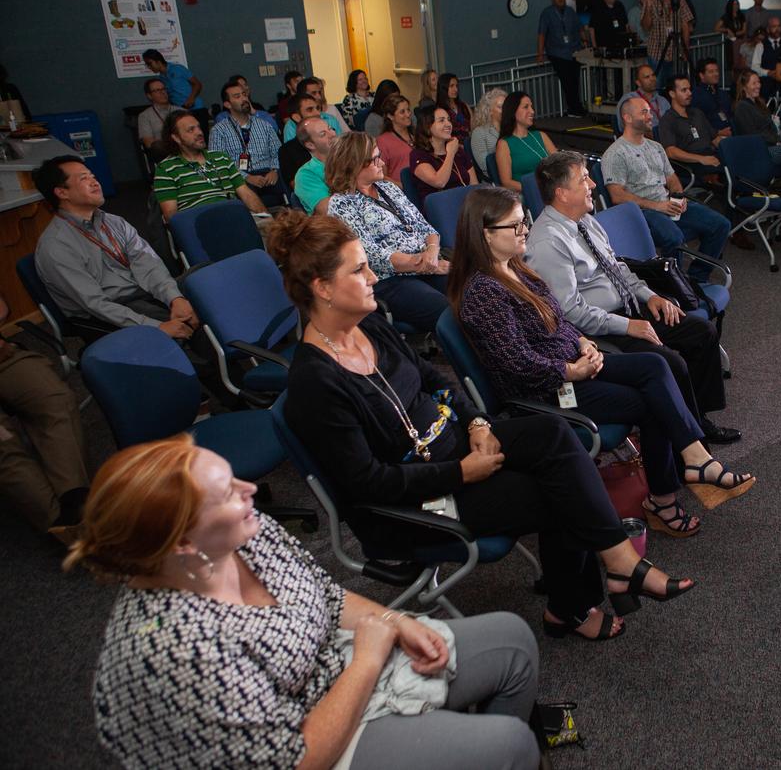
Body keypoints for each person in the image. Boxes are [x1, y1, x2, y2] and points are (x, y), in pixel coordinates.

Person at [278, 210, 696, 641]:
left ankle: (617, 566)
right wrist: (462, 472)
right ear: (322, 288)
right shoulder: (315, 383)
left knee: (554, 434)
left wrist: (477, 422)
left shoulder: (370, 329)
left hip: (457, 445)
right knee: (554, 489)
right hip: (417, 501)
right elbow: (368, 484)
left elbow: (434, 379)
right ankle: (575, 603)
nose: (372, 276)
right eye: (360, 268)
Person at [70, 435, 544, 767]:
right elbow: (293, 759)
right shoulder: (174, 651)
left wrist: (393, 619)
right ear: (181, 544)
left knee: (513, 641)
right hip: (302, 739)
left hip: (330, 672)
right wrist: (369, 655)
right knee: (509, 746)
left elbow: (322, 593)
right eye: (228, 494)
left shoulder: (243, 534)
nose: (250, 490)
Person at [471, 179, 751, 510]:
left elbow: (561, 321)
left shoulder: (519, 271)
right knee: (651, 396)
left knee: (656, 365)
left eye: (524, 222)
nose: (524, 231)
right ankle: (667, 496)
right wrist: (572, 369)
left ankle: (694, 460)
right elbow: (517, 364)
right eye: (515, 225)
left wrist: (583, 342)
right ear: (487, 234)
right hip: (550, 387)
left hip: (576, 361)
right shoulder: (484, 293)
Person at [33, 155, 199, 337]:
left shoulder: (113, 221)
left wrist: (174, 298)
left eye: (92, 176)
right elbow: (95, 304)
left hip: (143, 290)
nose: (95, 182)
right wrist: (156, 327)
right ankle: (212, 358)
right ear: (62, 193)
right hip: (114, 309)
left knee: (207, 279)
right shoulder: (56, 246)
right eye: (84, 178)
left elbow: (148, 264)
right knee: (193, 322)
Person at [325, 132, 450, 334]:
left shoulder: (388, 188)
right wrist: (426, 264)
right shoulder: (341, 204)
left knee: (471, 291)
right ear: (354, 164)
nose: (382, 162)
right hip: (389, 280)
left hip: (426, 264)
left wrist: (432, 252)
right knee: (445, 310)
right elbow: (372, 257)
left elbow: (425, 227)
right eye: (375, 159)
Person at [602, 103, 732, 284]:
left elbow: (672, 179)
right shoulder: (615, 153)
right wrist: (658, 206)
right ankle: (673, 286)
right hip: (642, 212)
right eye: (644, 112)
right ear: (627, 118)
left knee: (721, 225)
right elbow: (617, 196)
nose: (650, 117)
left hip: (666, 204)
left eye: (649, 112)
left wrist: (678, 198)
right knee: (674, 237)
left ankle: (695, 279)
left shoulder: (656, 147)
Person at [0, 292, 89, 539]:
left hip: (4, 358)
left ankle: (74, 501)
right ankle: (72, 531)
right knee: (3, 444)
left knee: (54, 399)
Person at [152, 110, 267, 221]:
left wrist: (267, 219)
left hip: (233, 217)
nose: (199, 132)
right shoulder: (166, 169)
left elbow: (246, 195)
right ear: (176, 138)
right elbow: (171, 216)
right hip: (199, 226)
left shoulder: (221, 158)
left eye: (198, 127)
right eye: (191, 130)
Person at [208, 80, 283, 205]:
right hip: (238, 177)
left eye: (244, 94)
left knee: (282, 195)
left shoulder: (264, 125)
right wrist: (246, 177)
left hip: (268, 173)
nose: (244, 99)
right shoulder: (219, 130)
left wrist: (274, 170)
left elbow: (278, 152)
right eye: (237, 96)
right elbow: (218, 163)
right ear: (227, 104)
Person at [658, 75, 722, 180]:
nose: (689, 93)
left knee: (736, 163)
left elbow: (714, 138)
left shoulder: (697, 113)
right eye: (684, 90)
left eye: (689, 89)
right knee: (724, 173)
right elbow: (671, 152)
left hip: (711, 156)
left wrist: (729, 147)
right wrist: (701, 159)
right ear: (672, 94)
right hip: (690, 164)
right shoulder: (667, 120)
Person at [410, 104, 477, 202]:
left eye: (448, 119)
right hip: (441, 208)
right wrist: (450, 154)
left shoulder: (458, 151)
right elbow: (439, 182)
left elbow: (474, 185)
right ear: (428, 126)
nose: (448, 124)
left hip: (466, 205)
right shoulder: (418, 155)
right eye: (441, 120)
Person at [537, 0, 586, 116]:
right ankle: (573, 108)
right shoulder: (547, 14)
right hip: (557, 53)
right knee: (567, 81)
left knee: (575, 80)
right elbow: (541, 34)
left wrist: (585, 43)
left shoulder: (570, 11)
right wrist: (540, 54)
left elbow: (580, 28)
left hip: (574, 51)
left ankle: (577, 107)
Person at [494, 91, 557, 191]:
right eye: (526, 107)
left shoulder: (540, 135)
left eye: (531, 107)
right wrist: (535, 188)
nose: (532, 111)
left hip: (550, 189)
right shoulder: (504, 144)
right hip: (526, 194)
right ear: (513, 111)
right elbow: (506, 182)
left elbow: (559, 163)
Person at [642, 0, 694, 85]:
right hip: (656, 52)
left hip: (674, 52)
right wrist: (648, 7)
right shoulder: (653, 0)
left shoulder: (680, 0)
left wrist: (685, 49)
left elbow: (685, 26)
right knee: (656, 85)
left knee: (673, 86)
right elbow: (646, 26)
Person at [731, 70, 781, 166]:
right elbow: (750, 134)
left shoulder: (759, 103)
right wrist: (775, 142)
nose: (758, 86)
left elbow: (770, 127)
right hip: (759, 149)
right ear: (744, 87)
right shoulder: (742, 107)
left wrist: (778, 141)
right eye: (754, 83)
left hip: (772, 144)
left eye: (759, 82)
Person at [141, 49, 204, 122]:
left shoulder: (177, 69)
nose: (149, 67)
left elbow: (197, 84)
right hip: (180, 113)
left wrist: (191, 99)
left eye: (150, 63)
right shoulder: (161, 79)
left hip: (196, 109)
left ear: (158, 61)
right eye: (147, 65)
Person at [294, 116, 337, 213]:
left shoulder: (352, 158)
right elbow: (330, 211)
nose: (332, 134)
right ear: (310, 145)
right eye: (323, 134)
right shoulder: (306, 175)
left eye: (330, 129)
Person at [375, 95, 415, 189]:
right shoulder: (382, 142)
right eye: (402, 112)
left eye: (408, 110)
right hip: (401, 191)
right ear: (390, 116)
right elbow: (381, 175)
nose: (408, 114)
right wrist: (403, 187)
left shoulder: (417, 135)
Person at [136, 77, 178, 159]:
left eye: (163, 89)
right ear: (149, 96)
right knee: (157, 146)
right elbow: (149, 143)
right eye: (157, 90)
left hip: (185, 148)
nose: (162, 92)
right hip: (165, 152)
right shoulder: (144, 116)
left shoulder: (181, 111)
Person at [469, 87, 506, 178]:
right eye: (500, 107)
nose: (505, 109)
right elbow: (485, 166)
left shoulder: (511, 128)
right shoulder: (479, 133)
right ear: (489, 111)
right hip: (495, 181)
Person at [691, 58, 734, 135]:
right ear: (701, 75)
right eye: (711, 72)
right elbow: (696, 122)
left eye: (717, 71)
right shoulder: (696, 95)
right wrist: (717, 133)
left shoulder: (723, 94)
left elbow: (730, 115)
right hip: (712, 138)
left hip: (731, 134)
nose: (716, 74)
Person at [434, 73, 472, 139]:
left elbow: (473, 127)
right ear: (443, 88)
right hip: (451, 146)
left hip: (469, 144)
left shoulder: (464, 106)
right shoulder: (439, 110)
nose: (456, 89)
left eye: (456, 86)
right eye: (451, 86)